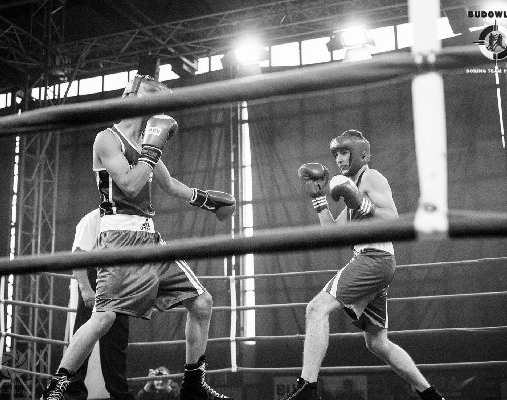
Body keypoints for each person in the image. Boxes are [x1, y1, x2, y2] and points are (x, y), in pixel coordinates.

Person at [41, 74, 235, 400]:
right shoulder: (107, 139)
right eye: (149, 94)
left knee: (202, 302)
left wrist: (207, 201)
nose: (155, 102)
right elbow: (131, 185)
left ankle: (193, 385)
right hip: (118, 239)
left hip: (149, 239)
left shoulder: (144, 144)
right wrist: (152, 149)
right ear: (129, 96)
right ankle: (57, 388)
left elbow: (168, 184)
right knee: (103, 318)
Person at [280, 129, 445, 400]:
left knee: (316, 308)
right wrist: (318, 199)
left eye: (344, 152)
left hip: (374, 258)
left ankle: (307, 387)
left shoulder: (372, 177)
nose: (339, 159)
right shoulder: (352, 187)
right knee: (377, 342)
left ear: (360, 154)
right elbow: (333, 233)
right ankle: (431, 395)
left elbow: (393, 219)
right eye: (336, 154)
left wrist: (362, 204)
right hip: (373, 260)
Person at [66, 209, 133, 400]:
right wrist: (86, 289)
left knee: (117, 343)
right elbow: (78, 256)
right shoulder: (92, 219)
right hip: (95, 279)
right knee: (83, 338)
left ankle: (119, 394)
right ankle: (74, 394)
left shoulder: (130, 220)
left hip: (120, 282)